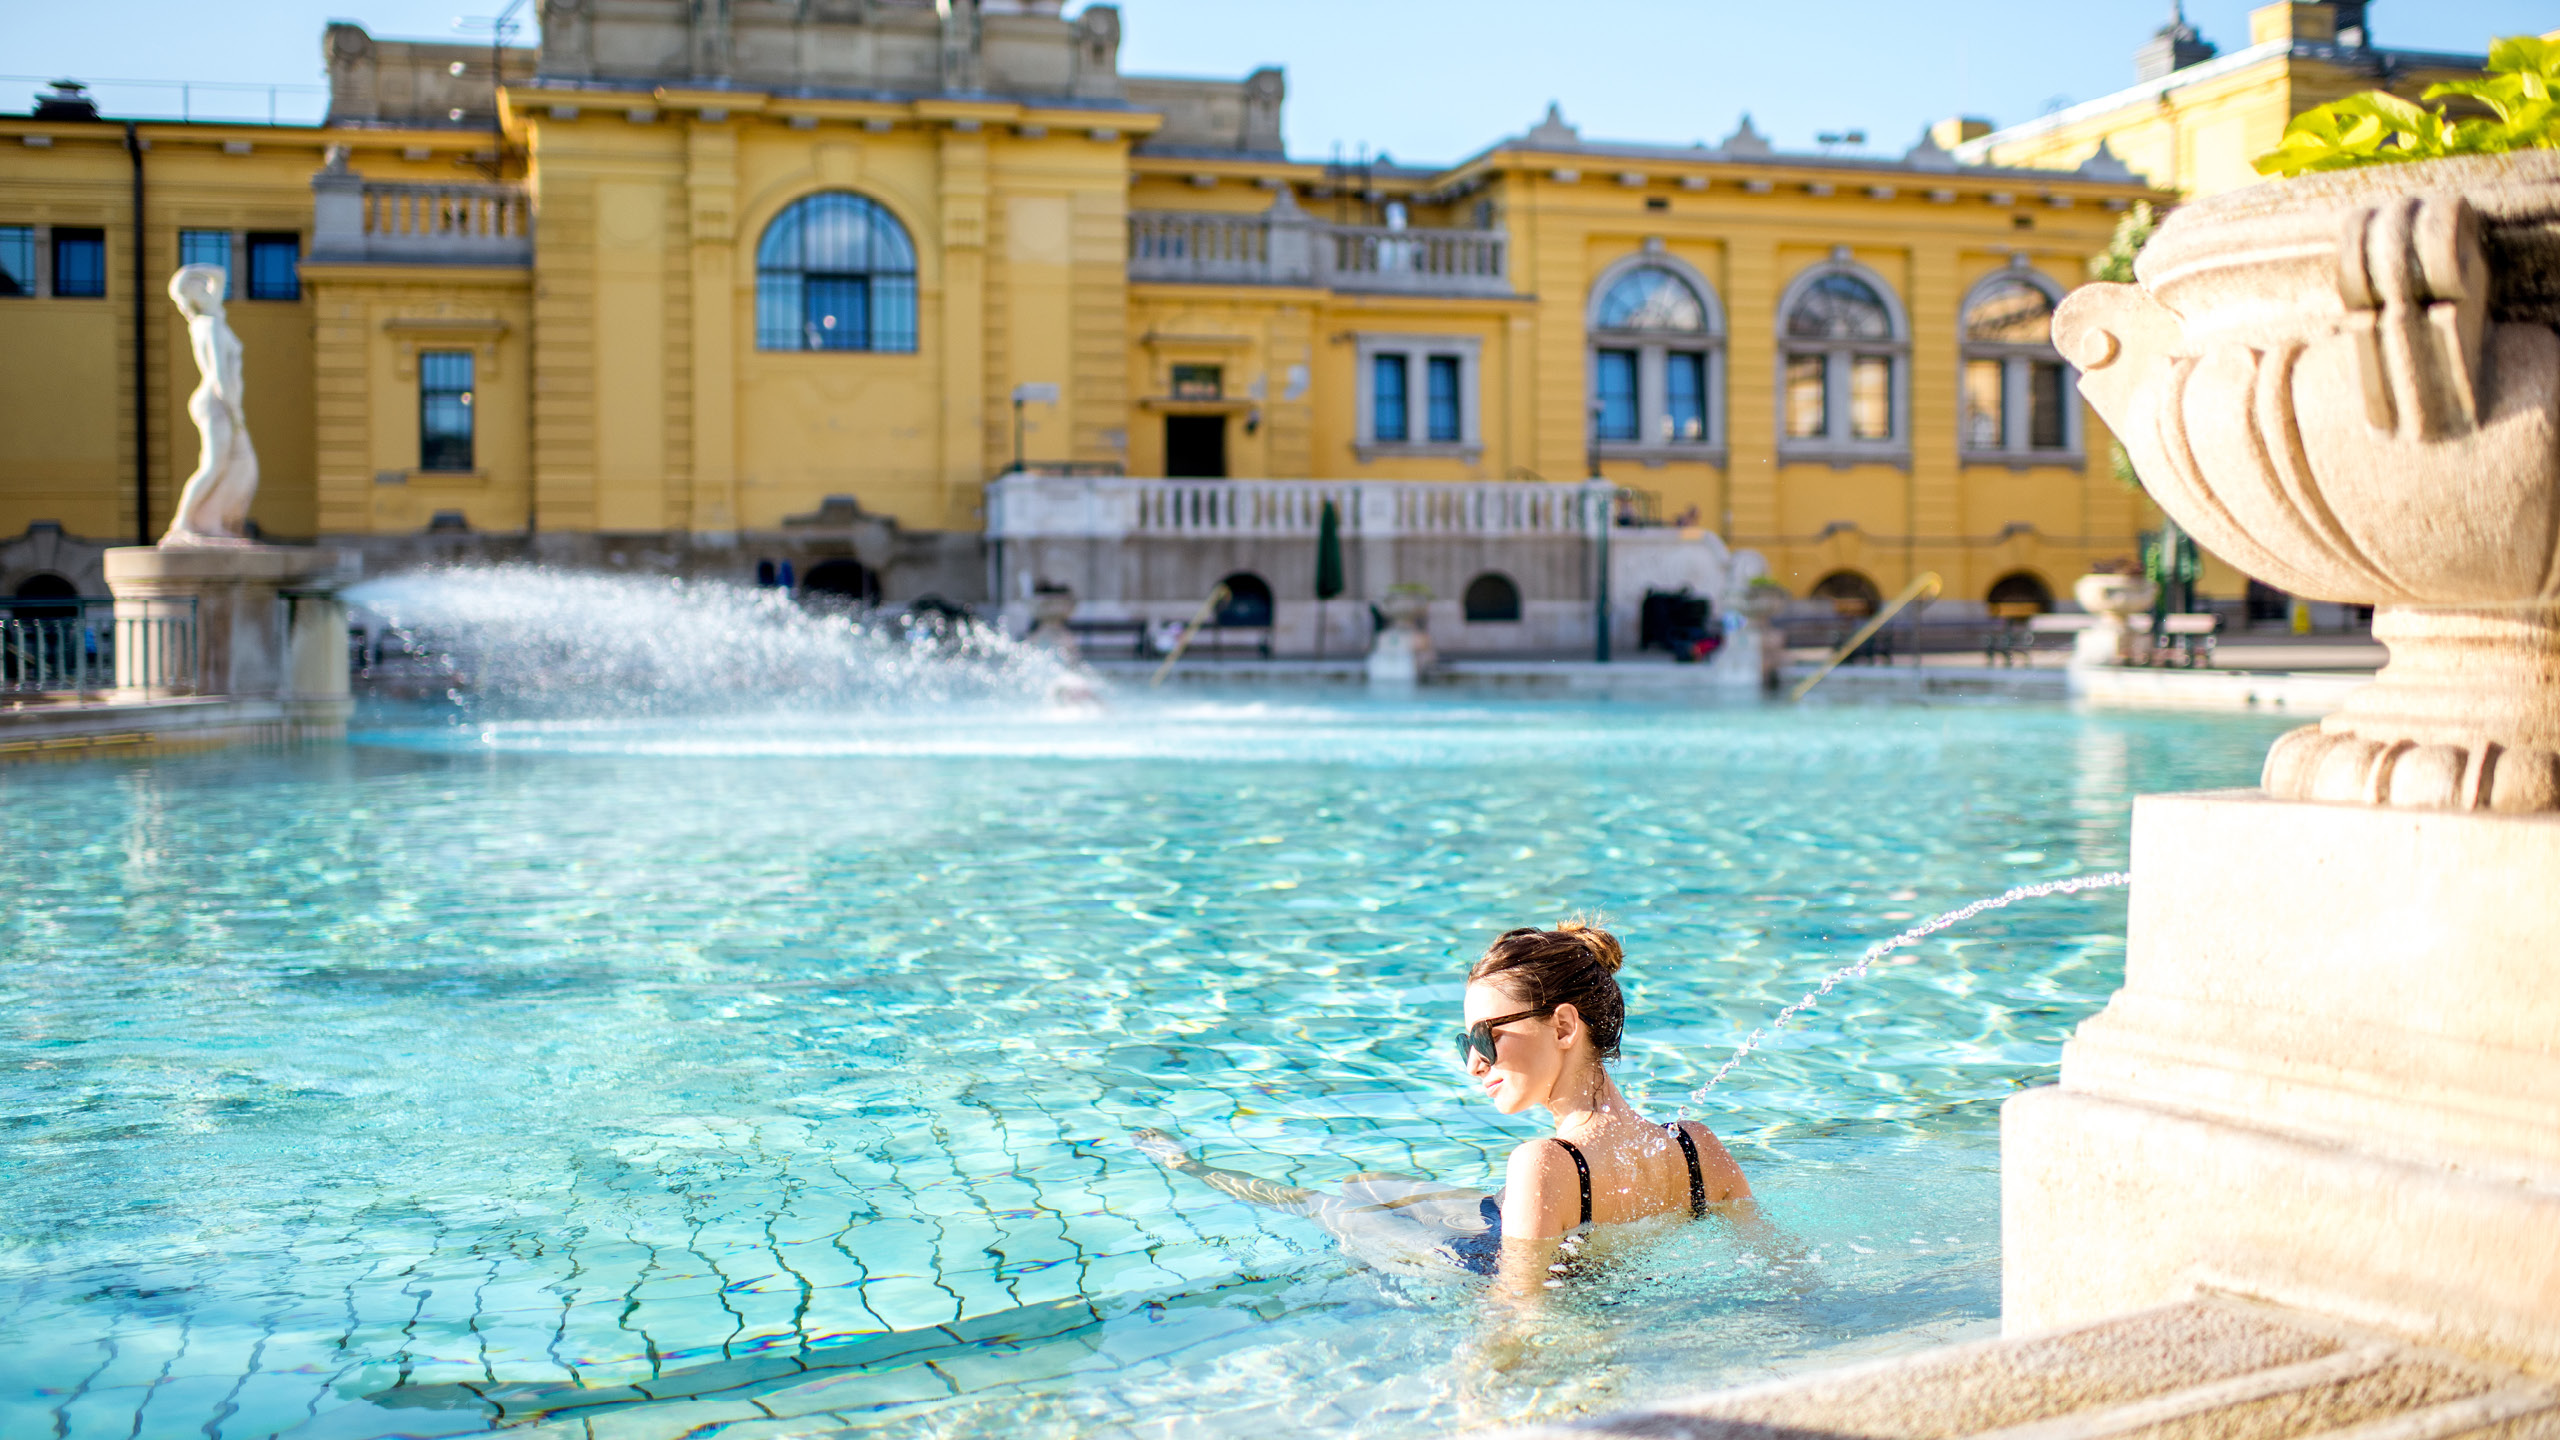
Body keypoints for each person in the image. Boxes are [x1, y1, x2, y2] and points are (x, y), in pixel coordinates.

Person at [1135, 919, 1750, 1291]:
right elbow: (1782, 1264)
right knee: (1368, 1184)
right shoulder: (1696, 1146)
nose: (1474, 1063)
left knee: (1333, 1207)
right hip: (1581, 1256)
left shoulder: (1543, 1163)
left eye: (1486, 1037)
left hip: (1502, 1267)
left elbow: (1516, 1312)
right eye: (1466, 1043)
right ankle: (1194, 1167)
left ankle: (1190, 1169)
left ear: (1564, 1027)